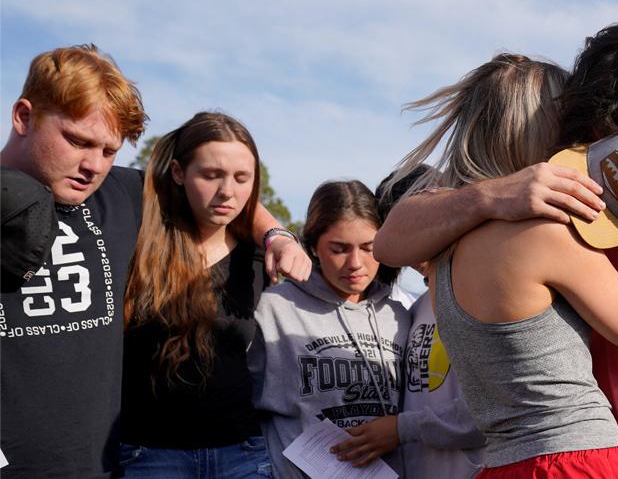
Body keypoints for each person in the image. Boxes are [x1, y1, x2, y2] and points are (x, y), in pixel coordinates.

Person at [374, 22, 618, 479]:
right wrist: (492, 195)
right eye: (605, 137)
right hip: (578, 452)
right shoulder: (542, 195)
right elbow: (390, 241)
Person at [0, 44, 310, 478]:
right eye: (77, 141)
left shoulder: (122, 193)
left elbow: (227, 191)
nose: (92, 165)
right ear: (23, 117)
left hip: (102, 464)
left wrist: (275, 234)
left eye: (109, 150)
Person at [120, 112, 271, 477]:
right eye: (211, 175)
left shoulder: (260, 261)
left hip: (244, 453)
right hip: (150, 455)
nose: (227, 191)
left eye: (241, 178)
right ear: (177, 172)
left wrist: (278, 236)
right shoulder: (137, 241)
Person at [248, 180, 411, 478]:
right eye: (339, 249)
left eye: (368, 248)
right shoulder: (275, 308)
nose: (355, 263)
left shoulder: (398, 315)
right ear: (312, 246)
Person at [332, 165, 487, 478]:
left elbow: (493, 409)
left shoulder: (486, 296)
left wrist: (401, 428)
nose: (416, 244)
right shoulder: (414, 309)